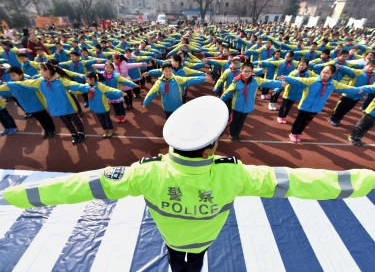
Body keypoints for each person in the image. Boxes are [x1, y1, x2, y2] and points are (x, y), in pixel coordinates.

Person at [1, 96, 375, 272]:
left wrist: (13, 194)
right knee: (194, 261)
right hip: (206, 237)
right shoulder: (236, 173)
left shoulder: (144, 172)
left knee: (175, 256)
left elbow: (77, 186)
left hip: (169, 234)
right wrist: (363, 180)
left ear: (170, 142)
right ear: (212, 145)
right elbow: (301, 181)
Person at [5, 62, 90, 145]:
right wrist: (10, 84)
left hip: (68, 106)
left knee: (76, 121)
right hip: (55, 107)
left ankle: (82, 133)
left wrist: (87, 87)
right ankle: (74, 134)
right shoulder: (40, 82)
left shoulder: (61, 80)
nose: (39, 72)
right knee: (66, 122)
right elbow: (25, 83)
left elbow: (75, 85)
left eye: (41, 70)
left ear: (47, 71)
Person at [278, 65, 364, 143]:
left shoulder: (333, 84)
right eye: (323, 72)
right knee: (299, 121)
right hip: (304, 106)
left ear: (332, 74)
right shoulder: (312, 80)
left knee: (306, 122)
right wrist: (286, 78)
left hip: (316, 108)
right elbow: (298, 80)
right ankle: (293, 133)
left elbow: (346, 87)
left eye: (327, 73)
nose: (324, 74)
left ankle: (298, 133)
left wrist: (357, 90)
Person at [220, 62, 283, 141]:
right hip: (237, 106)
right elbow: (227, 93)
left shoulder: (255, 80)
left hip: (247, 106)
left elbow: (268, 82)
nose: (247, 73)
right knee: (234, 121)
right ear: (241, 71)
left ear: (252, 72)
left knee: (241, 121)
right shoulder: (236, 81)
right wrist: (220, 101)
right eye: (245, 71)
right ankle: (232, 133)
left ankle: (237, 133)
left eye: (249, 71)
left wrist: (280, 84)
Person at [0, 66, 56, 138]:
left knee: (45, 117)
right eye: (11, 76)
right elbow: (2, 88)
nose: (12, 78)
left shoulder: (29, 80)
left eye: (14, 75)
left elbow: (39, 79)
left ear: (21, 74)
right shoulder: (11, 84)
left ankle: (52, 130)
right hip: (28, 105)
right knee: (39, 119)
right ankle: (46, 130)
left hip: (38, 103)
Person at [143, 62, 208, 119]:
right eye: (166, 71)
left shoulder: (177, 79)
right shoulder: (159, 82)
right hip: (167, 108)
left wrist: (203, 79)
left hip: (178, 106)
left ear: (172, 71)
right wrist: (146, 102)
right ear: (162, 71)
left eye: (170, 70)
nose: (168, 73)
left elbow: (189, 80)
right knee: (169, 120)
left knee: (179, 120)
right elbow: (152, 92)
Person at [84, 71, 129, 138]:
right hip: (96, 108)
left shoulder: (100, 86)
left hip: (103, 107)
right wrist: (71, 90)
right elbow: (78, 88)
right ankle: (105, 129)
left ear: (92, 79)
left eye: (87, 79)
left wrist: (120, 93)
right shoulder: (87, 86)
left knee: (107, 119)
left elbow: (110, 89)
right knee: (101, 120)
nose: (86, 80)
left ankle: (110, 129)